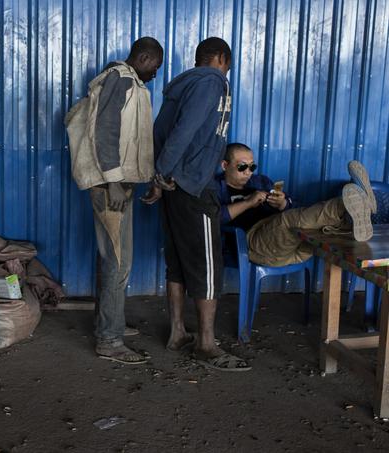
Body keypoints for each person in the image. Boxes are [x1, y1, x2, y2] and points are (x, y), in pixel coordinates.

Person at [142, 37, 249, 371]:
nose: (227, 71)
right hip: (191, 185)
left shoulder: (183, 86)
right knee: (207, 266)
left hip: (174, 184)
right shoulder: (212, 82)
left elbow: (160, 131)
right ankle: (205, 343)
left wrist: (161, 177)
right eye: (227, 64)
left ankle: (177, 333)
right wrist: (166, 174)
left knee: (177, 261)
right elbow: (184, 132)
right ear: (220, 58)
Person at [65, 37, 163, 364]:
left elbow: (129, 138)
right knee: (118, 261)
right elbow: (104, 131)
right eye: (155, 67)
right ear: (145, 57)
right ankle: (109, 338)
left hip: (120, 183)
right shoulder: (120, 79)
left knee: (112, 256)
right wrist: (115, 181)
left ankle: (110, 321)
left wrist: (139, 179)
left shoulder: (127, 80)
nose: (155, 74)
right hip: (112, 187)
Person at [217, 142, 375, 267]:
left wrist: (283, 203)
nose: (248, 172)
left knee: (323, 233)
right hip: (254, 246)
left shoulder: (261, 181)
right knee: (289, 220)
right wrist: (248, 202)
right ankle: (346, 205)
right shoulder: (214, 188)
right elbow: (213, 218)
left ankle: (351, 220)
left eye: (252, 166)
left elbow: (301, 210)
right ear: (225, 165)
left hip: (293, 247)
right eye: (242, 166)